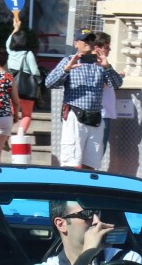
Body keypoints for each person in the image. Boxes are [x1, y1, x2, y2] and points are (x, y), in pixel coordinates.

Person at [44, 31, 123, 170]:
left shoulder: (100, 63)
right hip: (75, 114)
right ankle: (70, 187)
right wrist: (67, 69)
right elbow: (49, 83)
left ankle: (86, 189)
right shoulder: (68, 60)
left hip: (95, 116)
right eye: (84, 40)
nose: (88, 43)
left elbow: (117, 84)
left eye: (91, 40)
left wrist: (107, 67)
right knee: (72, 161)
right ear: (76, 43)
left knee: (91, 163)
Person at [31, 200, 142, 265]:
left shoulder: (127, 259)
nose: (97, 221)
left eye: (97, 213)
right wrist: (87, 254)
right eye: (87, 214)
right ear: (61, 224)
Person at [5, 19, 41, 133]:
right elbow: (34, 71)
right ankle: (20, 134)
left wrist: (15, 28)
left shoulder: (10, 51)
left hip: (11, 87)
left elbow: (8, 42)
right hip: (26, 89)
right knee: (26, 114)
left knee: (10, 112)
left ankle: (5, 133)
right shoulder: (28, 54)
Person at [94, 33, 118, 164]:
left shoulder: (105, 65)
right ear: (98, 48)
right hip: (100, 113)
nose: (109, 50)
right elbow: (101, 83)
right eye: (107, 47)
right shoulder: (95, 65)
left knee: (100, 147)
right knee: (98, 147)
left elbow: (116, 82)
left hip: (105, 112)